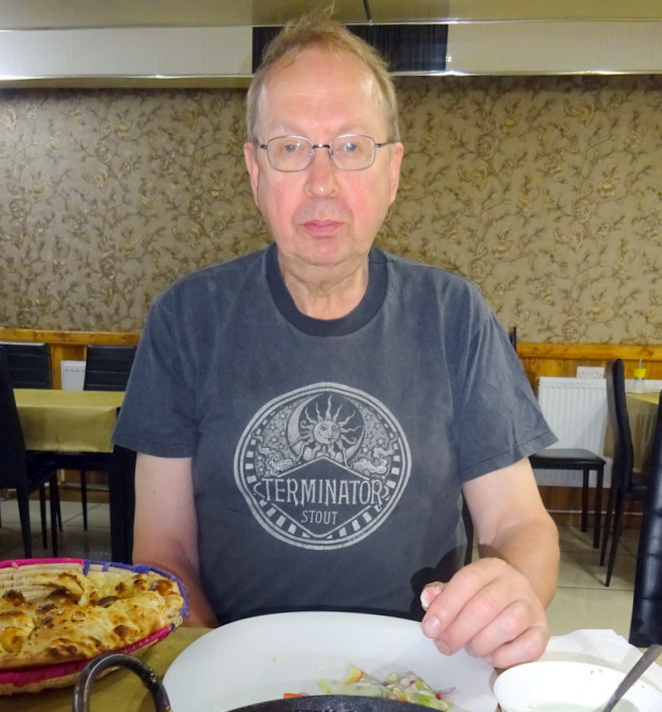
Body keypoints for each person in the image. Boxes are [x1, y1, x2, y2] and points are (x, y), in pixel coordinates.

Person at [113, 13, 560, 669]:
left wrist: (514, 590)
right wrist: (216, 669)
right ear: (255, 171)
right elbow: (163, 551)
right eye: (291, 147)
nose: (322, 182)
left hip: (419, 672)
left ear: (393, 172)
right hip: (235, 670)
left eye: (351, 147)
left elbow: (515, 524)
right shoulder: (185, 319)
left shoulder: (455, 315)